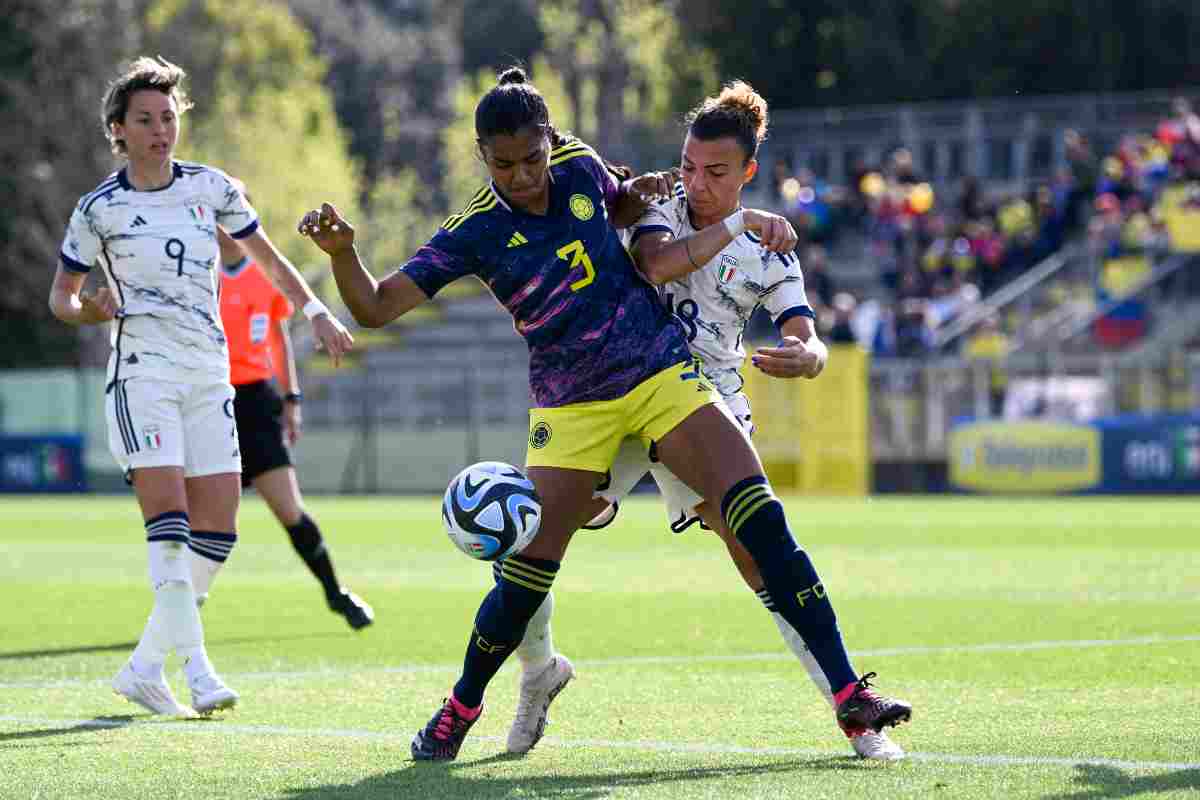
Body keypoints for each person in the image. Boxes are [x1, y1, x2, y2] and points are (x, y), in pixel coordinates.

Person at [298, 67, 912, 762]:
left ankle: (848, 697)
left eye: (533, 158)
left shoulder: (578, 163)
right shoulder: (474, 231)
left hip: (658, 373)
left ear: (550, 140)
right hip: (571, 402)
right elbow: (376, 308)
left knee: (760, 518)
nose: (524, 176)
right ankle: (460, 707)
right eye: (504, 165)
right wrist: (344, 252)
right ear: (482, 157)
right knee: (527, 569)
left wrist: (630, 196)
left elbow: (612, 210)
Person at [515, 81, 905, 760]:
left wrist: (807, 355)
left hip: (707, 402)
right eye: (689, 166)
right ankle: (538, 674)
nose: (695, 182)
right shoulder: (659, 203)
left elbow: (805, 333)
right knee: (531, 535)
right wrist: (728, 219)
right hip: (618, 387)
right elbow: (658, 261)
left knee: (760, 558)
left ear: (749, 172)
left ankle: (855, 715)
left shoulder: (770, 247)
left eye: (716, 172)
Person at [48, 56, 353, 717]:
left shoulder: (211, 188)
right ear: (118, 131)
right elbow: (61, 297)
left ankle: (144, 667)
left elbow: (270, 260)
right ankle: (199, 669)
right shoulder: (97, 209)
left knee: (219, 529)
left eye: (169, 118)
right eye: (145, 120)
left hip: (208, 374)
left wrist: (316, 311)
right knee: (172, 524)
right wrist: (87, 310)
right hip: (142, 375)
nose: (161, 130)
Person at [216, 223, 374, 629]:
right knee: (210, 522)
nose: (225, 222)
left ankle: (336, 593)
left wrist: (292, 399)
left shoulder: (264, 272)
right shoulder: (196, 271)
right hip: (207, 400)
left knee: (290, 510)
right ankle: (179, 615)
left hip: (254, 402)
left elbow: (277, 338)